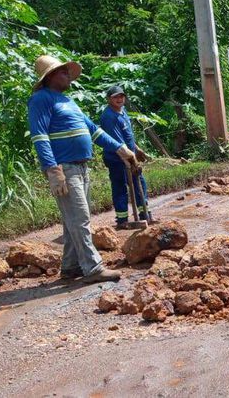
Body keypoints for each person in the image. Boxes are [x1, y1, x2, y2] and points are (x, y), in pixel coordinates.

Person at [28, 55, 138, 283]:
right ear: (49, 76)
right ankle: (93, 268)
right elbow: (40, 137)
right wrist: (52, 170)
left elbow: (94, 131)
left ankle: (70, 267)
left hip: (81, 167)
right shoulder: (41, 99)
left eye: (68, 71)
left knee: (73, 221)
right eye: (63, 71)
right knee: (80, 219)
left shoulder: (68, 101)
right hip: (64, 168)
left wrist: (121, 149)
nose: (68, 75)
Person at [99, 85, 153, 229]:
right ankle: (122, 221)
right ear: (109, 99)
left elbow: (127, 136)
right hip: (117, 158)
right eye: (115, 97)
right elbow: (117, 143)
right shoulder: (109, 117)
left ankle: (144, 215)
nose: (119, 99)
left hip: (128, 154)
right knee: (120, 187)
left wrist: (137, 149)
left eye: (121, 96)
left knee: (139, 183)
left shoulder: (122, 112)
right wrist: (131, 160)